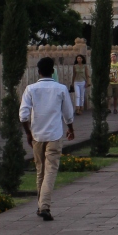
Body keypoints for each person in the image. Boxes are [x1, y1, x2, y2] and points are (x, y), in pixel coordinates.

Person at [19, 56, 75, 221]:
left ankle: (40, 206)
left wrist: (28, 133)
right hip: (54, 134)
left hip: (37, 134)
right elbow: (68, 114)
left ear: (38, 71)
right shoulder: (60, 89)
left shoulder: (30, 89)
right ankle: (44, 206)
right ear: (53, 71)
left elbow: (23, 116)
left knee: (40, 171)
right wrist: (71, 129)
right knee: (50, 170)